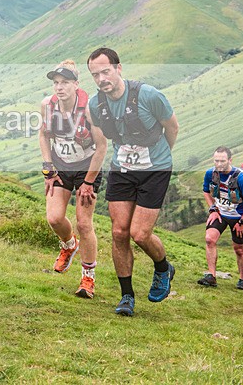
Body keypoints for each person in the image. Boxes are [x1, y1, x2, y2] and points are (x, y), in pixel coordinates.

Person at [86, 47, 179, 317]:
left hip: (155, 169)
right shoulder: (96, 105)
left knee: (140, 234)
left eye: (105, 71)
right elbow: (103, 141)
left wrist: (160, 160)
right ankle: (127, 296)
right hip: (122, 169)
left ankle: (163, 267)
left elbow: (172, 128)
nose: (102, 78)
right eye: (95, 75)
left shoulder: (148, 95)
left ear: (118, 68)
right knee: (119, 233)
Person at [39, 60, 107, 298]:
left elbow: (101, 147)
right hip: (60, 166)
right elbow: (44, 134)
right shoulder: (48, 105)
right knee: (55, 218)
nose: (59, 87)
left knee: (84, 223)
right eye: (56, 83)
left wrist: (88, 182)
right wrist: (48, 167)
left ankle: (88, 278)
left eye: (65, 83)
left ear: (76, 84)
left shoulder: (90, 109)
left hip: (87, 166)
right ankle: (69, 245)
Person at [199, 147, 243, 289]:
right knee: (209, 239)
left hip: (238, 216)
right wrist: (213, 209)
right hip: (220, 213)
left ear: (230, 160)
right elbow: (205, 191)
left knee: (239, 249)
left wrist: (242, 222)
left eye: (222, 161)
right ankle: (211, 276)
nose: (219, 164)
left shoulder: (240, 177)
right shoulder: (210, 173)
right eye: (216, 160)